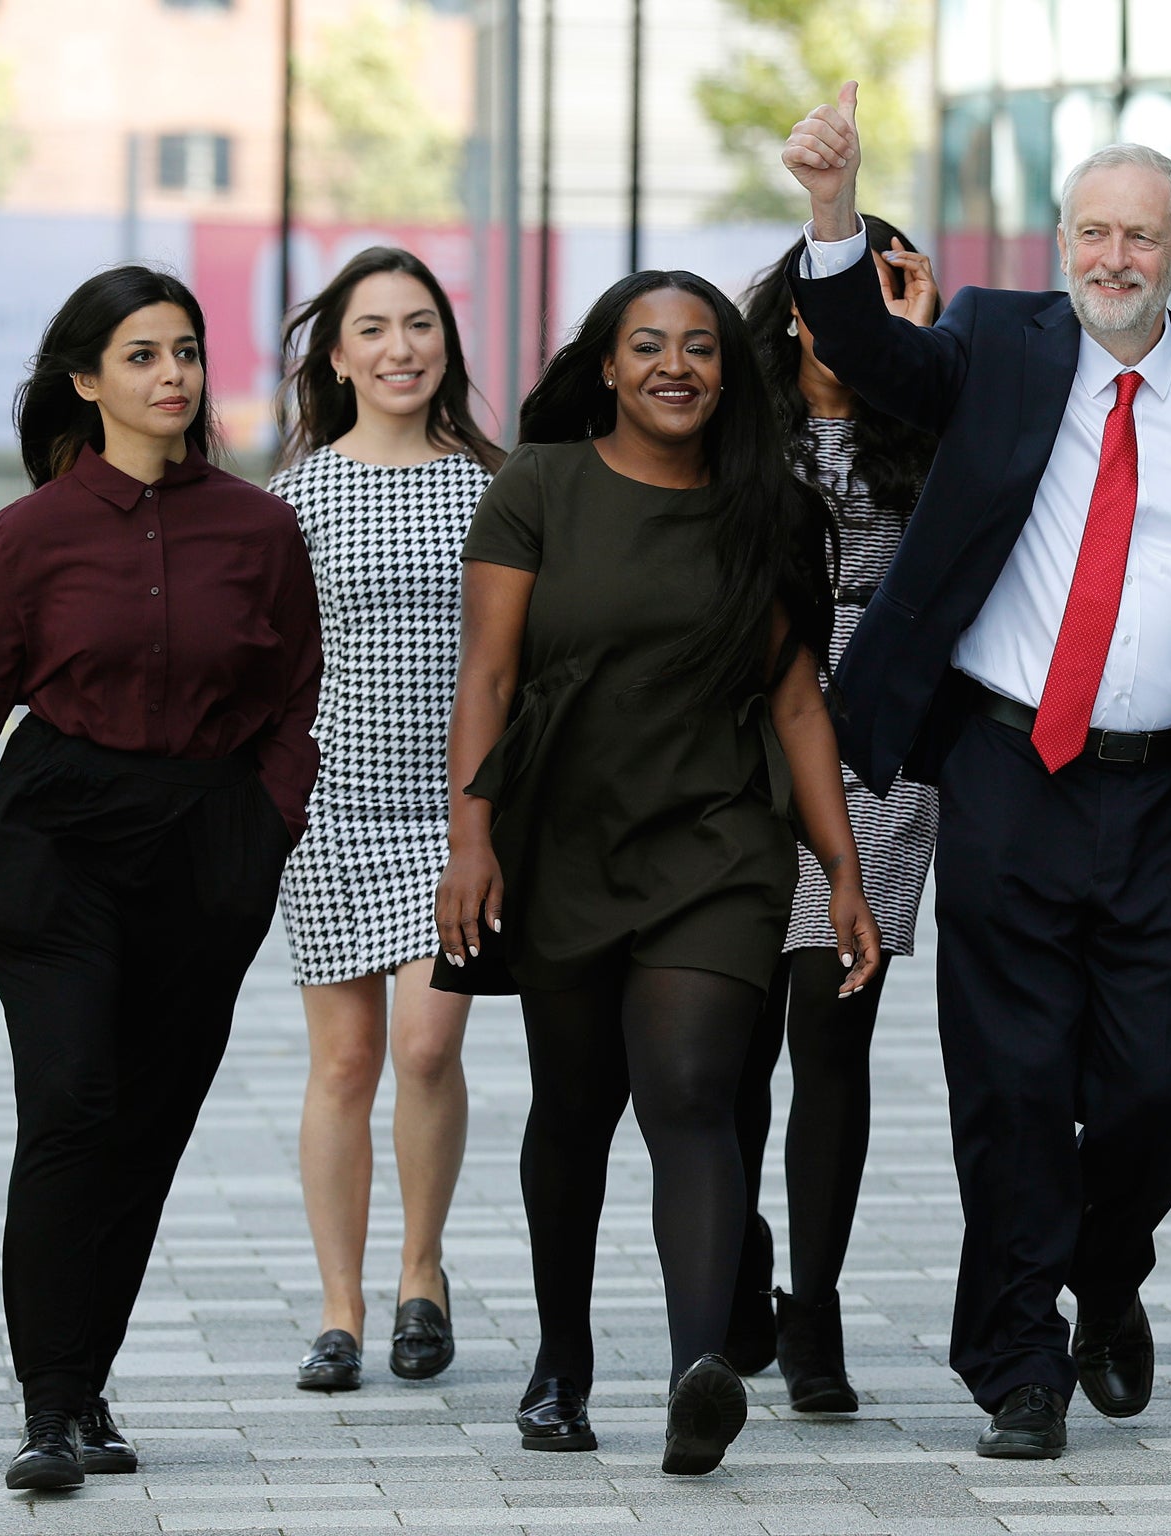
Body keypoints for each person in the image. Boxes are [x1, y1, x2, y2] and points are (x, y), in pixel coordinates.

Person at [782, 83, 1171, 1459]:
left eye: (1142, 238)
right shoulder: (994, 344)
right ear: (1062, 241)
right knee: (1014, 1081)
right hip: (1013, 767)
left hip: (1169, 794)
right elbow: (865, 350)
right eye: (1092, 231)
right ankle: (1018, 1360)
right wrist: (834, 213)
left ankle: (1111, 1277)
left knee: (1149, 1085)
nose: (1113, 259)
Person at [433, 268, 881, 1477]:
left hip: (717, 847)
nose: (674, 365)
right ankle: (560, 1363)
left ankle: (700, 1374)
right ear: (609, 364)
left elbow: (796, 700)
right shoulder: (540, 486)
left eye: (697, 346)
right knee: (577, 1107)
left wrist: (837, 868)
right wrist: (470, 839)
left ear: (730, 372)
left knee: (689, 1086)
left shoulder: (770, 512)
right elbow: (486, 677)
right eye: (647, 346)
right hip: (561, 837)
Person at [0, 268, 321, 1489]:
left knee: (145, 1128)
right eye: (139, 355)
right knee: (71, 1106)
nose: (171, 374)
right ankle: (45, 1409)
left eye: (183, 350)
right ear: (87, 380)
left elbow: (294, 690)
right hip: (56, 843)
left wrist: (264, 822)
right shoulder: (28, 536)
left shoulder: (258, 527)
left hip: (205, 844)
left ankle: (86, 1389)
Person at [270, 247, 506, 1394]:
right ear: (336, 355)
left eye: (421, 325)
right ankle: (340, 1310)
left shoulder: (490, 485)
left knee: (427, 1043)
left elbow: (518, 664)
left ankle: (424, 1272)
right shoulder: (295, 495)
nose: (402, 348)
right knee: (347, 1061)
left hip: (453, 816)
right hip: (330, 813)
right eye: (374, 329)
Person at [725, 215, 942, 1409]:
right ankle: (739, 1252)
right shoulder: (738, 421)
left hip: (886, 734)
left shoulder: (933, 422)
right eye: (834, 292)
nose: (849, 312)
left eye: (884, 291)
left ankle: (814, 1310)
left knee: (832, 1032)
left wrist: (913, 357)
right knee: (734, 1038)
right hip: (744, 725)